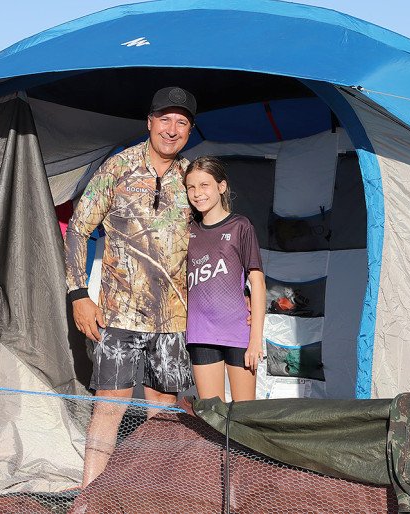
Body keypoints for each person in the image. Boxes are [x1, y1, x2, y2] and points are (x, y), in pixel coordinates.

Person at [64, 87, 197, 487]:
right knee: (108, 408)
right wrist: (78, 295)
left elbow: (215, 237)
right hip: (118, 316)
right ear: (150, 122)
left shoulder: (193, 177)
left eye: (182, 122)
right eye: (165, 120)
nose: (171, 130)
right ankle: (89, 498)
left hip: (173, 320)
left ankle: (154, 495)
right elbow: (78, 230)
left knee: (164, 415)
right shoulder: (117, 167)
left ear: (190, 129)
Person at [184, 156, 266, 402]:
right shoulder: (186, 230)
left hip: (238, 332)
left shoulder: (240, 226)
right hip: (200, 334)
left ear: (221, 187)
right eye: (191, 187)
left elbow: (258, 283)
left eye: (204, 185)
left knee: (243, 415)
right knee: (212, 416)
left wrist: (255, 340)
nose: (197, 193)